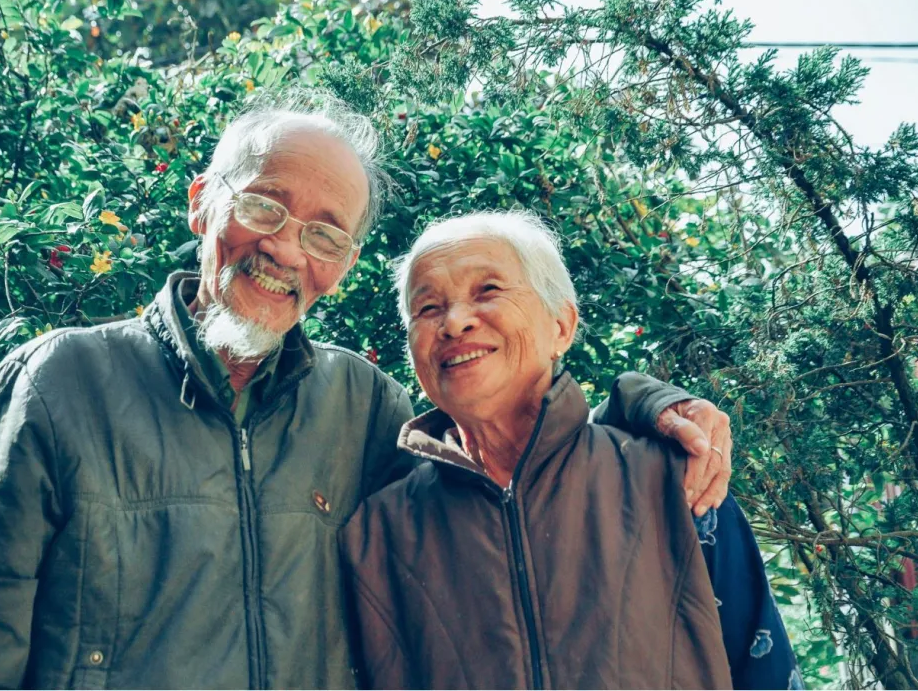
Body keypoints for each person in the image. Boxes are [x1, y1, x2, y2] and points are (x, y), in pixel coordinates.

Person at [0, 91, 736, 689]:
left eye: (325, 233)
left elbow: (520, 480)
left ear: (341, 265)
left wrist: (644, 404)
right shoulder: (62, 382)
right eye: (264, 206)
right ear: (204, 204)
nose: (286, 250)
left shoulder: (364, 405)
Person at [340, 210, 800, 690]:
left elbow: (764, 667)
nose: (454, 322)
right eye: (428, 308)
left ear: (561, 326)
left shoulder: (673, 479)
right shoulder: (378, 532)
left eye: (488, 291)